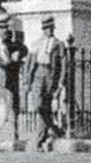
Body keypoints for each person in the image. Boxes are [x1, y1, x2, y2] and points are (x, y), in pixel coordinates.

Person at [26, 16, 68, 151]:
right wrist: (27, 80)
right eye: (45, 28)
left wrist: (61, 82)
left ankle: (40, 140)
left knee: (46, 106)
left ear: (53, 29)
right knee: (38, 106)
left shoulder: (59, 44)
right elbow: (29, 63)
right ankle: (54, 128)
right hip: (38, 73)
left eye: (50, 28)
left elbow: (63, 65)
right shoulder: (36, 43)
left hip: (50, 74)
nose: (47, 31)